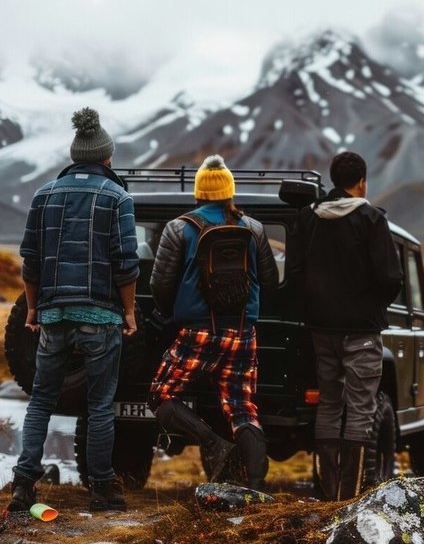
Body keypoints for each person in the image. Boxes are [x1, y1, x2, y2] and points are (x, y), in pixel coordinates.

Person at [7, 107, 139, 513]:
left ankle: (23, 485)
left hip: (53, 316)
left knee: (42, 401)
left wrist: (32, 310)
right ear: (106, 157)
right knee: (100, 405)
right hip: (100, 317)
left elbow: (30, 259)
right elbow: (126, 263)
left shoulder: (44, 194)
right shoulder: (118, 197)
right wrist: (130, 313)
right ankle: (101, 490)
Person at [147, 154, 279, 489]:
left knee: (162, 396)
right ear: (229, 192)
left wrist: (171, 316)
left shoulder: (179, 228)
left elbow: (160, 284)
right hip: (242, 333)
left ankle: (214, 445)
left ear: (199, 193)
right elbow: (271, 280)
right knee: (242, 407)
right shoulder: (254, 228)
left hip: (197, 331)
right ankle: (255, 487)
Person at [288, 151, 403, 500]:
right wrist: (371, 305)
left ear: (335, 180)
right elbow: (390, 277)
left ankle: (327, 492)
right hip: (362, 330)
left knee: (329, 404)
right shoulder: (371, 218)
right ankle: (351, 497)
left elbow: (294, 273)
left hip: (320, 329)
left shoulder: (307, 218)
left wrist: (313, 307)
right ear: (362, 182)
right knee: (361, 407)